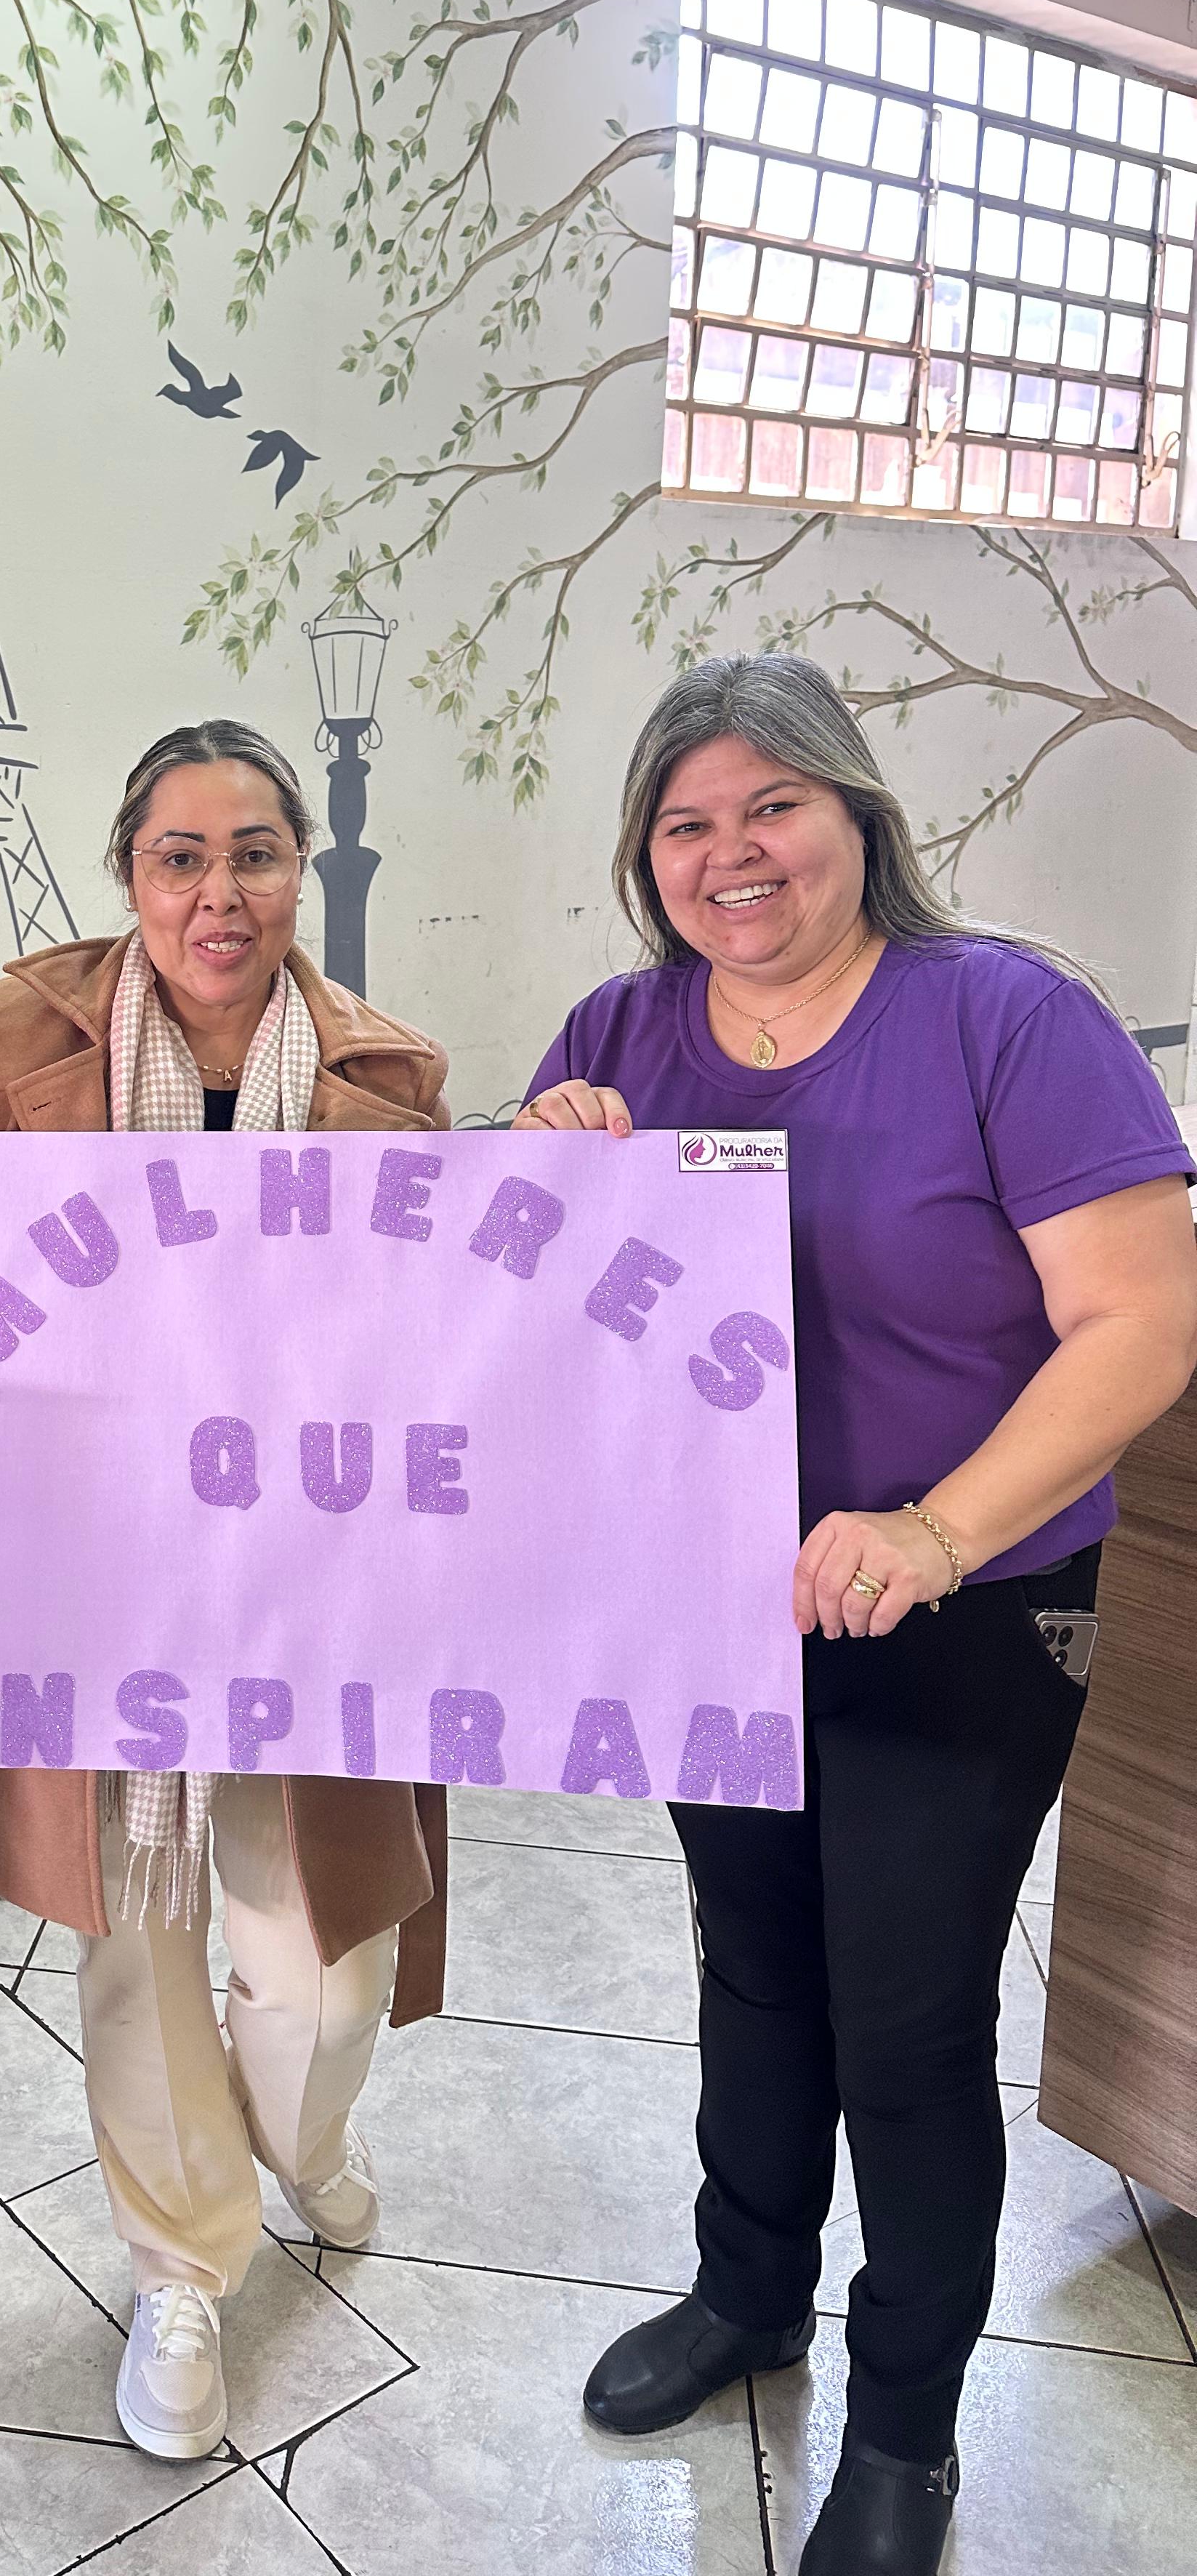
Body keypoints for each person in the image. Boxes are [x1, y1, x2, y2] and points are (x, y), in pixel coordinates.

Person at [514, 653, 1196, 2576]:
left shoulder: (1011, 1020)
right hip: (705, 1597)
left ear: (856, 815)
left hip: (964, 1603)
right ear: (646, 856)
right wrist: (533, 1186)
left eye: (772, 807)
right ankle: (748, 2296)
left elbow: (1144, 1321)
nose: (731, 854)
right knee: (752, 1966)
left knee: (905, 2017)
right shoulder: (620, 1032)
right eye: (687, 823)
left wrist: (938, 1530)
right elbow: (545, 1336)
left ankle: (904, 2424)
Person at [0, 718, 452, 2465]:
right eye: (179, 856)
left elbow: (437, 1332)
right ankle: (180, 2265)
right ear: (129, 870)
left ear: (300, 870)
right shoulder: (16, 1033)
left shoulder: (390, 1071)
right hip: (91, 1567)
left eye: (254, 853)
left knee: (326, 1968)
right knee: (141, 1932)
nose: (218, 892)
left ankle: (302, 2141)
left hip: (304, 1578)